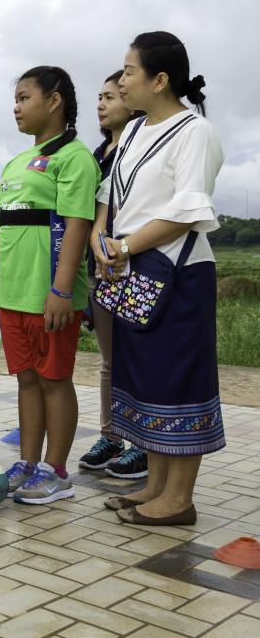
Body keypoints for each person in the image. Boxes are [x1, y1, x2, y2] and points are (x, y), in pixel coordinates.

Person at [93, 32, 224, 526]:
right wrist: (101, 240)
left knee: (178, 380)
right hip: (130, 270)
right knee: (144, 377)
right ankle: (155, 485)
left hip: (178, 275)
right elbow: (111, 195)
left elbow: (188, 212)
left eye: (129, 71)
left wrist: (124, 246)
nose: (121, 80)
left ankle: (179, 499)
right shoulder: (131, 131)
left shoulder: (194, 131)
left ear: (160, 79)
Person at [0, 66, 99, 505]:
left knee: (54, 380)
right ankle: (27, 463)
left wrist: (62, 290)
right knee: (26, 381)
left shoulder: (74, 158)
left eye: (25, 97)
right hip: (13, 292)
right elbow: (3, 227)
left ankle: (57, 470)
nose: (16, 107)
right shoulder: (13, 162)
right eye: (16, 99)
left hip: (50, 295)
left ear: (54, 100)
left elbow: (77, 224)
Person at [78, 72, 148, 480]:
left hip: (136, 263)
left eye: (111, 95)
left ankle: (143, 442)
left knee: (138, 357)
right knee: (109, 360)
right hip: (100, 266)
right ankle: (111, 434)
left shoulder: (142, 145)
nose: (102, 104)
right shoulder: (97, 153)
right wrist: (98, 248)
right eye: (99, 97)